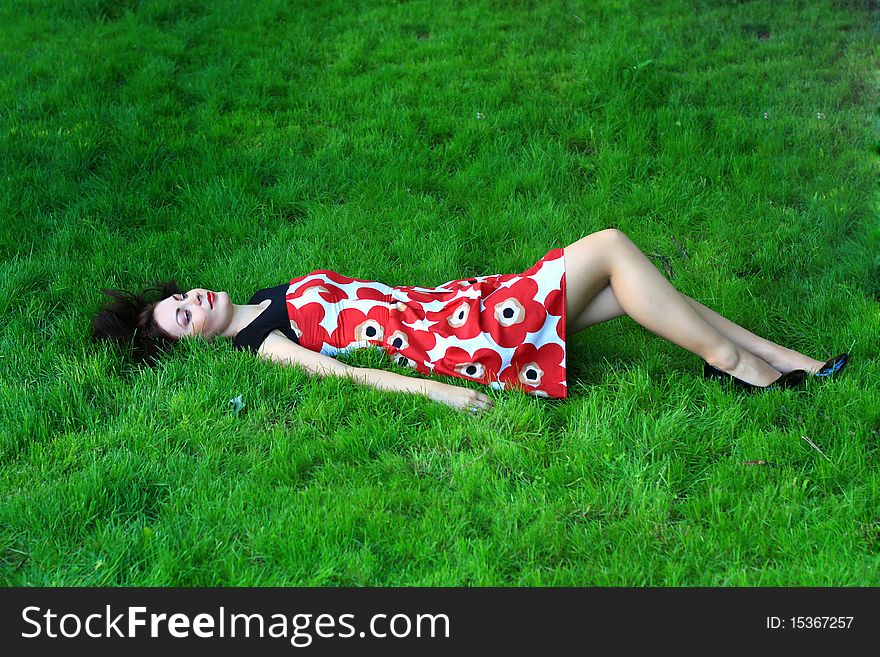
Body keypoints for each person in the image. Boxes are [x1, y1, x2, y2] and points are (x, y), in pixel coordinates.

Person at [90, 228, 849, 413]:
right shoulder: (265, 344)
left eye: (183, 297)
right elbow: (350, 372)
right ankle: (738, 367)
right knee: (614, 248)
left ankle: (792, 361)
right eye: (184, 319)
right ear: (197, 341)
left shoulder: (263, 293)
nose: (197, 303)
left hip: (457, 300)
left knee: (635, 289)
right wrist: (443, 393)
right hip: (467, 333)